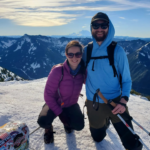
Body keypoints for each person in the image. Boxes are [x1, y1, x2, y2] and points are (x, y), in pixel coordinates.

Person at [82, 12, 143, 150]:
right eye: (95, 25)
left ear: (109, 27)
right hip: (94, 102)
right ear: (91, 28)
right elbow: (74, 67)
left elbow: (126, 80)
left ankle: (110, 120)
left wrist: (123, 101)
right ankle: (105, 122)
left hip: (116, 102)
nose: (99, 28)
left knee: (132, 144)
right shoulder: (87, 50)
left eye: (104, 25)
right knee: (98, 137)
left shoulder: (118, 51)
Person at [37, 40, 86, 144]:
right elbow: (48, 95)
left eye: (78, 54)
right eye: (70, 54)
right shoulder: (58, 71)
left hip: (71, 104)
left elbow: (93, 84)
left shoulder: (83, 72)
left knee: (79, 125)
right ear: (66, 54)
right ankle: (48, 128)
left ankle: (68, 124)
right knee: (43, 121)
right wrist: (60, 114)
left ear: (81, 54)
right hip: (55, 102)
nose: (74, 58)